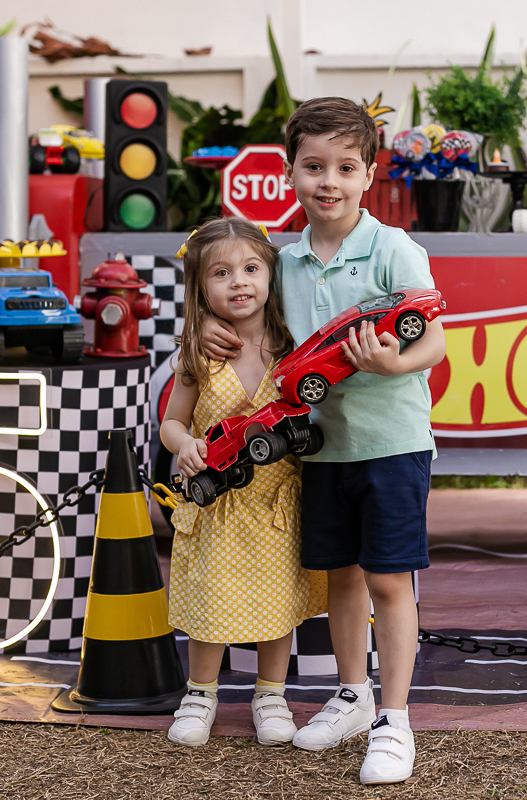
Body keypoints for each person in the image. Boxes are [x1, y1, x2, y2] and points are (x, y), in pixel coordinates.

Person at [200, 96, 445, 785]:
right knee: (341, 576)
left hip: (391, 442)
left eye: (344, 166)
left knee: (390, 579)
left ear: (370, 174)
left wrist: (391, 363)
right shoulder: (284, 262)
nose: (327, 181)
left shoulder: (393, 247)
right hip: (320, 447)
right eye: (313, 166)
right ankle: (352, 695)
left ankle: (395, 719)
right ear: (290, 173)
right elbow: (260, 335)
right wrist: (217, 335)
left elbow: (433, 339)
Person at [161, 217, 328, 749]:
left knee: (276, 602)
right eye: (221, 273)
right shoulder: (200, 352)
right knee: (210, 600)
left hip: (277, 503)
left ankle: (270, 694)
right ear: (199, 287)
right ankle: (200, 693)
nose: (239, 282)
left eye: (252, 268)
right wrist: (183, 444)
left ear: (271, 275)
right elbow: (171, 421)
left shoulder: (291, 342)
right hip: (220, 505)